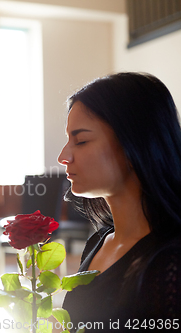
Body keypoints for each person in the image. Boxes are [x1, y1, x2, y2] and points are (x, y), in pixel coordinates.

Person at [58, 72, 181, 332]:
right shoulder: (99, 241)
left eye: (80, 140)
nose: (63, 156)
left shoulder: (171, 260)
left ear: (133, 143)